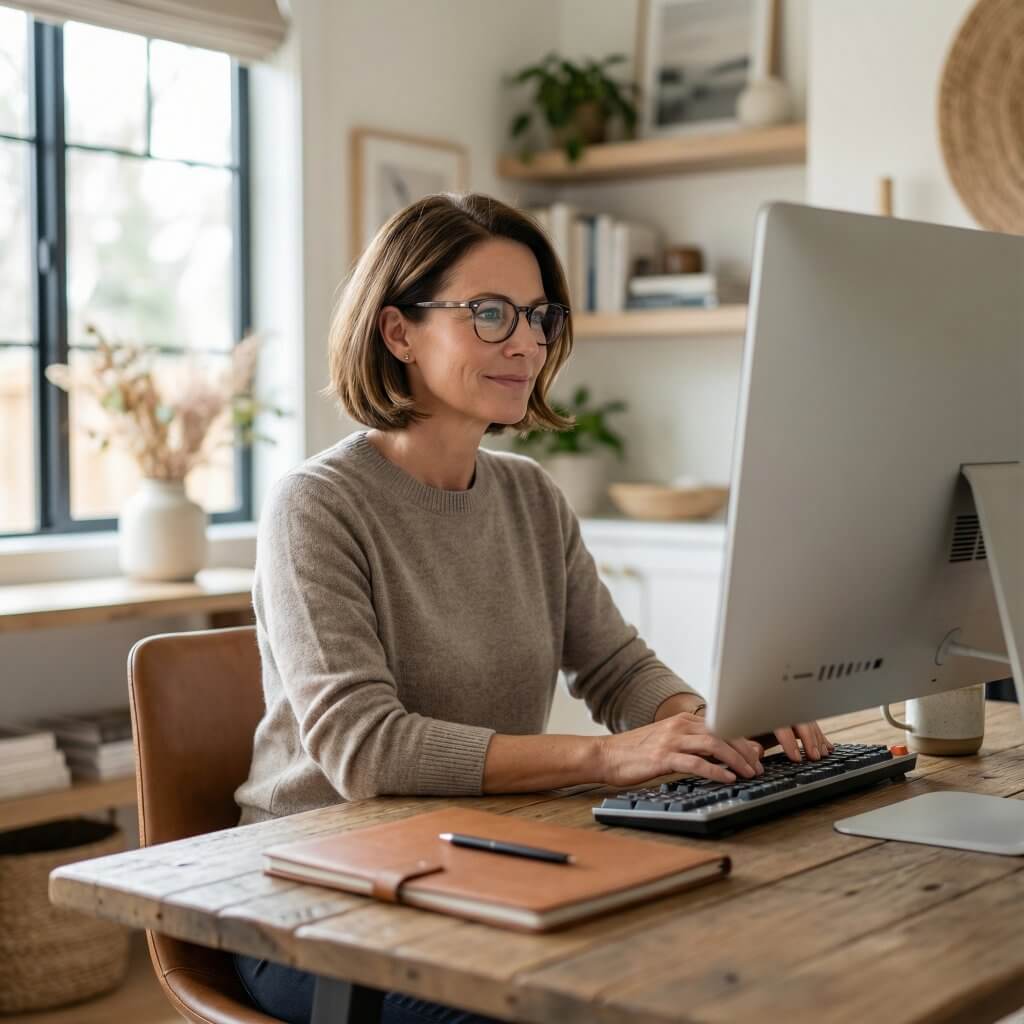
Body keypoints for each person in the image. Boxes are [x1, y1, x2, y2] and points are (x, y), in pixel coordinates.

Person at [233, 191, 834, 1024]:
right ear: (398, 330)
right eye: (489, 314)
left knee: (717, 959)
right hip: (314, 896)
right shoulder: (316, 505)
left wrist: (705, 724)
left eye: (538, 316)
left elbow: (616, 666)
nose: (526, 342)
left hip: (477, 857)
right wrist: (605, 759)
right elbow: (364, 750)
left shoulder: (529, 495)